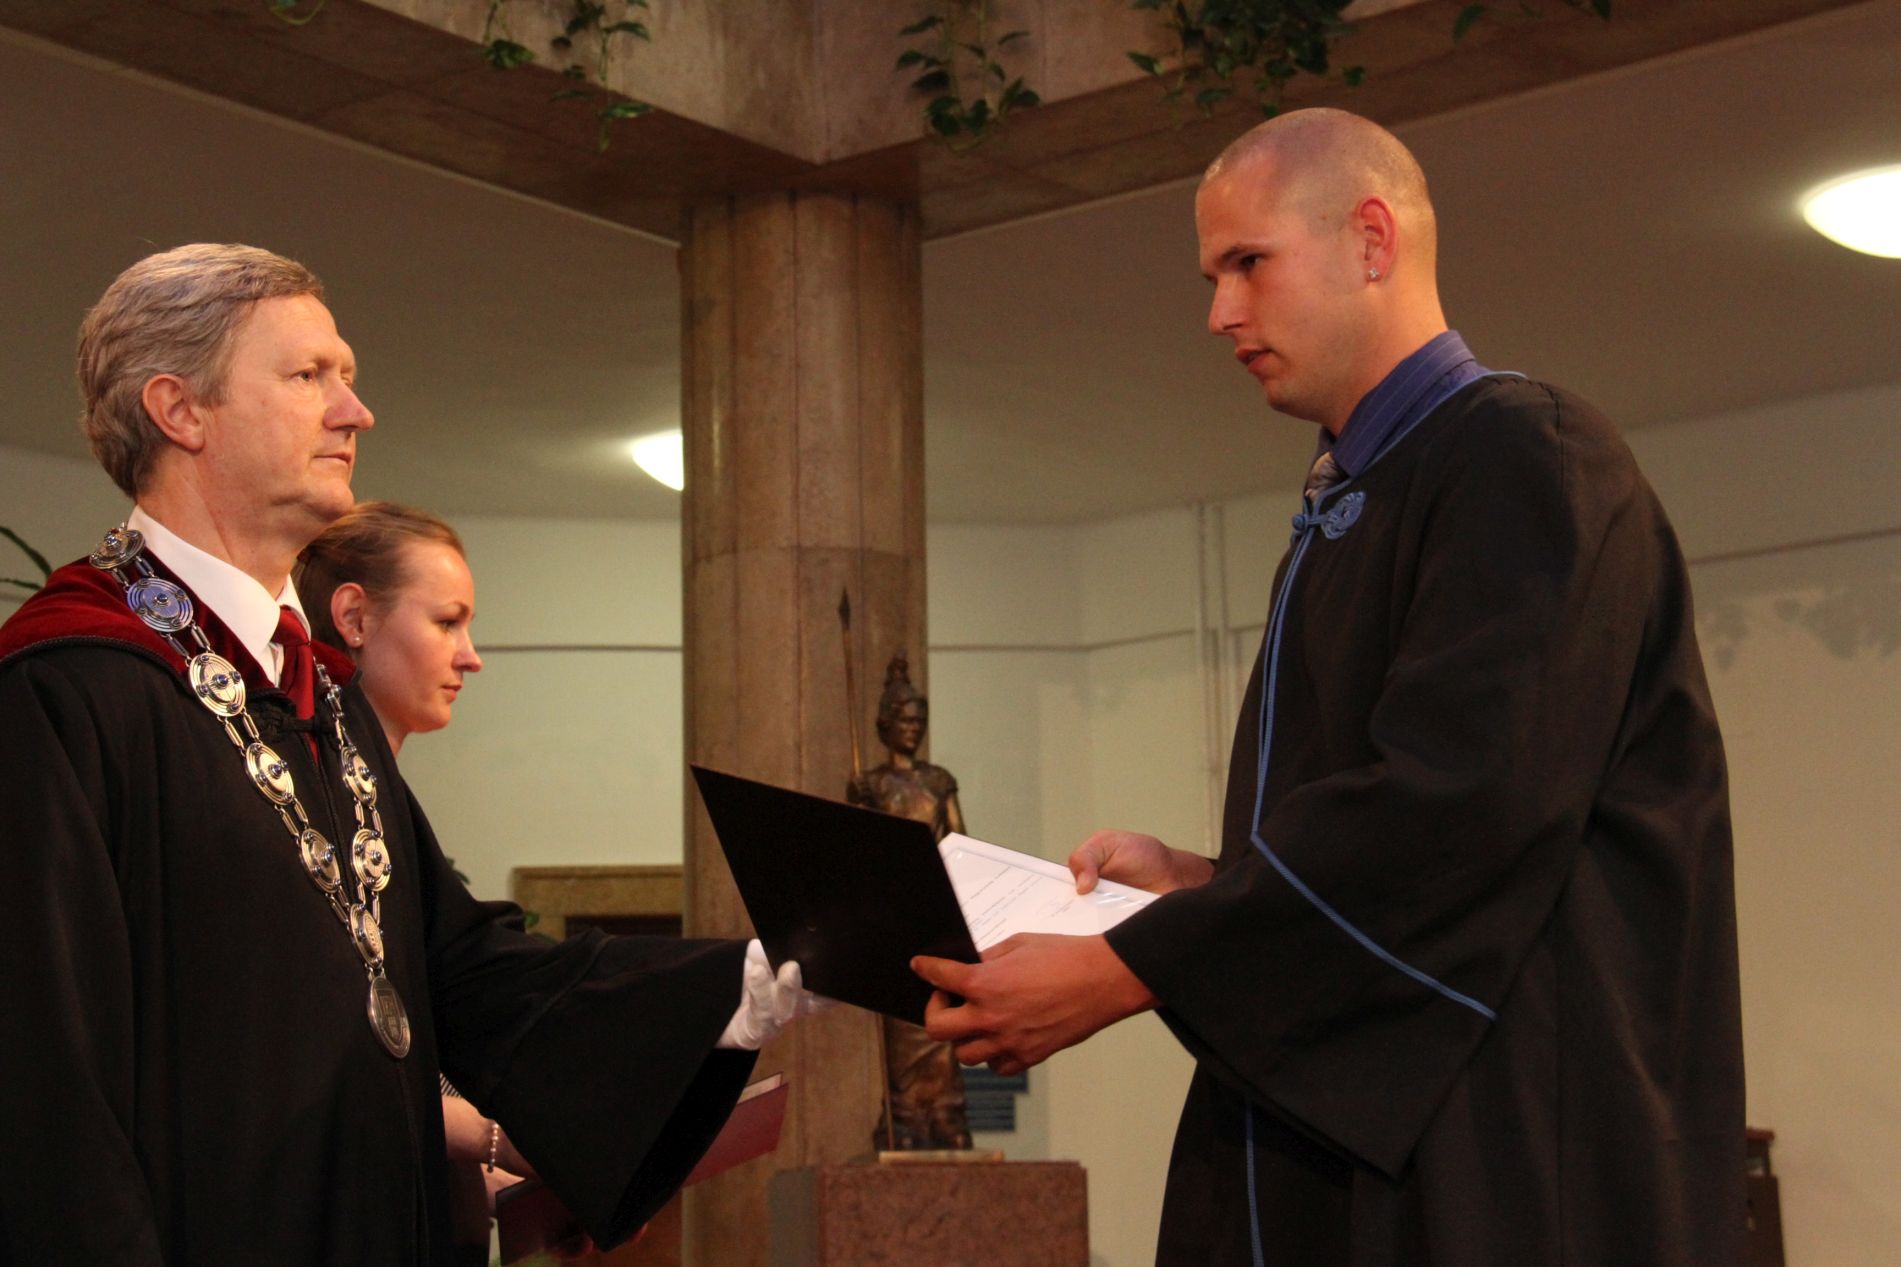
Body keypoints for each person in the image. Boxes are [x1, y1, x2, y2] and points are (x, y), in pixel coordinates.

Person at [914, 109, 1745, 1265]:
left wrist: (1128, 965)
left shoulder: (1524, 456)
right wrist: (1207, 885)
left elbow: (1455, 808)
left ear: (1369, 239)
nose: (1219, 313)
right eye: (1211, 277)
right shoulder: (1354, 497)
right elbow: (1387, 825)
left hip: (1505, 1154)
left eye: (1246, 262)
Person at [0, 243, 818, 1265]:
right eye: (309, 375)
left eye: (345, 376)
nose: (356, 411)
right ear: (180, 410)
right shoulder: (69, 686)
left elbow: (465, 971)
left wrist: (760, 976)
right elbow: (45, 1085)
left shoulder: (323, 700)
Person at [296, 501, 521, 1260]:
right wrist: (496, 1138)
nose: (471, 657)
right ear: (354, 618)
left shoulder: (390, 807)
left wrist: (498, 1180)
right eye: (447, 622)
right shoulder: (306, 810)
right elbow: (334, 1054)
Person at [846, 655, 973, 1152]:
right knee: (903, 1026)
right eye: (904, 720)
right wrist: (858, 807)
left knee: (941, 1024)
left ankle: (945, 1113)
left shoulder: (938, 781)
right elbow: (859, 849)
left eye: (920, 721)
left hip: (935, 910)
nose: (913, 729)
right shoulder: (873, 785)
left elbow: (960, 839)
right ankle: (906, 1116)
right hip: (896, 917)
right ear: (885, 726)